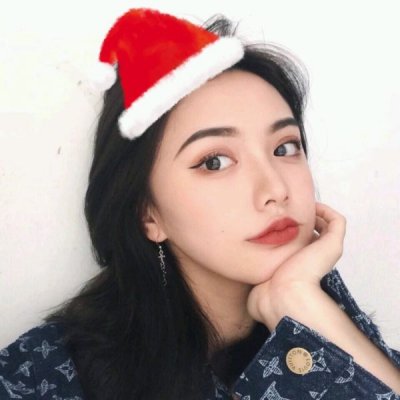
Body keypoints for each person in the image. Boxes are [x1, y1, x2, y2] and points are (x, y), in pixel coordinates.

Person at [0, 7, 399, 400]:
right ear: (147, 213)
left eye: (285, 148)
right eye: (215, 162)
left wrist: (301, 304)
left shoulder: (338, 327)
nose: (276, 189)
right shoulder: (40, 377)